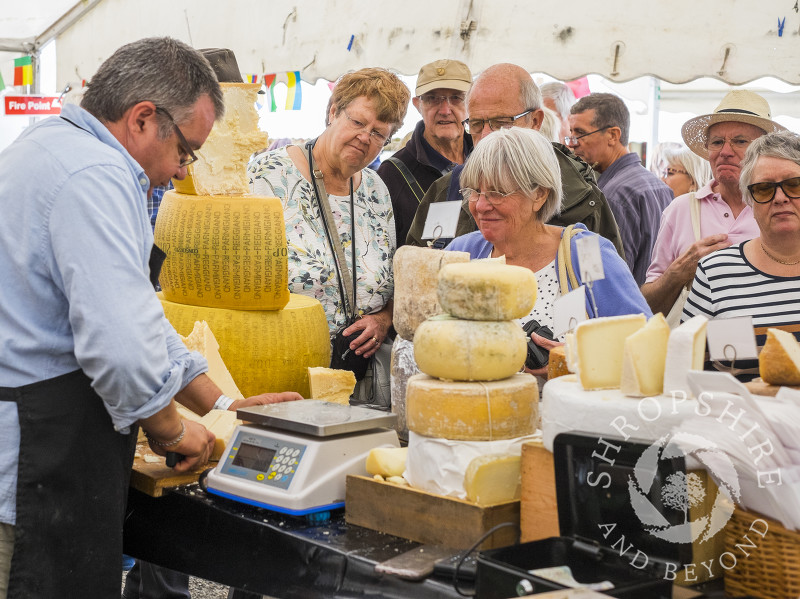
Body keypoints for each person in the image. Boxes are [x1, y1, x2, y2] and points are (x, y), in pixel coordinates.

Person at [0, 37, 302, 599]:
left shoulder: (49, 144)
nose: (183, 172)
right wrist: (170, 428)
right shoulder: (95, 175)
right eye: (186, 151)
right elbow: (118, 347)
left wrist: (218, 405)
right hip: (37, 462)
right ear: (143, 119)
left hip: (46, 448)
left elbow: (135, 316)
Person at [248, 68, 410, 405]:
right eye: (358, 122)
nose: (365, 138)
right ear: (333, 111)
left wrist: (382, 320)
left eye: (379, 133)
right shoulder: (267, 176)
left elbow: (391, 282)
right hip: (282, 374)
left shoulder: (376, 189)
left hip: (357, 382)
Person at [447, 128, 651, 377]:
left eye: (497, 193)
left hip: (565, 412)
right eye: (474, 191)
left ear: (539, 194)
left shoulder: (586, 253)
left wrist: (580, 358)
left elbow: (646, 342)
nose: (480, 205)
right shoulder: (462, 253)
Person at [405, 63, 624, 257]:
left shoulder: (582, 198)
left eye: (501, 123)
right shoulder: (446, 191)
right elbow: (418, 275)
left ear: (536, 121)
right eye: (478, 124)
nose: (487, 135)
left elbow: (597, 287)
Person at [642, 90, 786, 316]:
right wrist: (678, 273)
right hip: (696, 349)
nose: (725, 152)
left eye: (739, 141)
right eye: (717, 142)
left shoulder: (782, 207)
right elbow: (647, 307)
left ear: (764, 151)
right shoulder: (680, 210)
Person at [682, 130, 800, 379]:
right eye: (764, 189)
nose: (780, 198)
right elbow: (686, 364)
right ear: (750, 201)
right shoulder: (715, 272)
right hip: (738, 416)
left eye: (794, 184)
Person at [567, 92, 674, 285]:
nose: (572, 144)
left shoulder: (609, 196)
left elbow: (600, 280)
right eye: (571, 134)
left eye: (580, 133)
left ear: (613, 135)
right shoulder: (659, 185)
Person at [377, 59, 473, 247]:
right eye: (432, 98)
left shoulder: (488, 159)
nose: (445, 110)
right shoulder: (392, 174)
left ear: (471, 102)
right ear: (417, 104)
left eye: (456, 97)